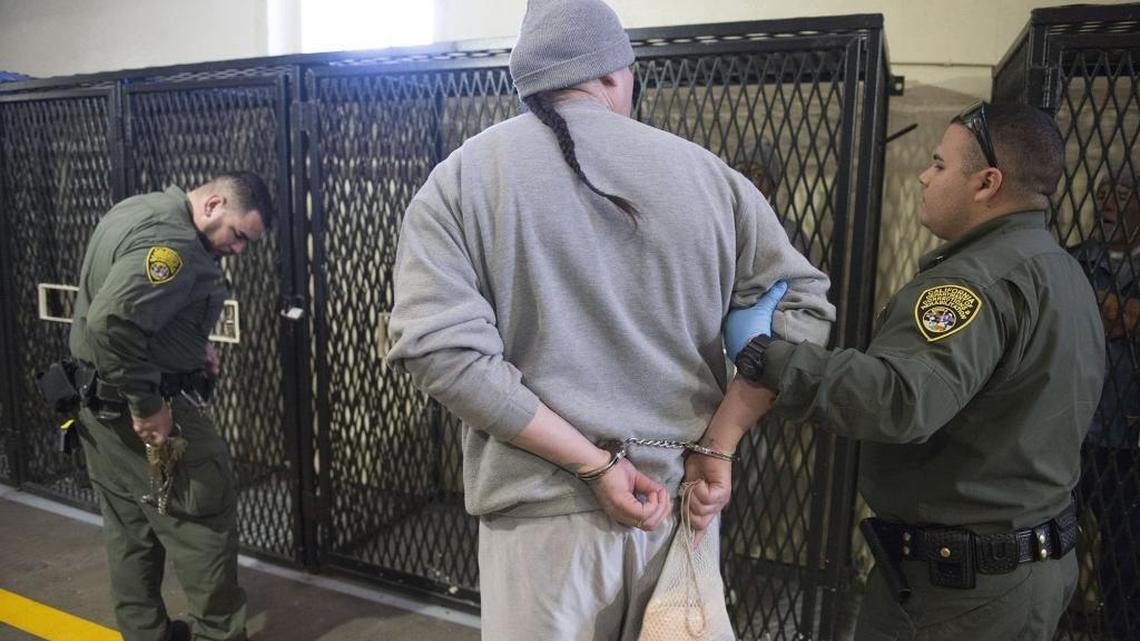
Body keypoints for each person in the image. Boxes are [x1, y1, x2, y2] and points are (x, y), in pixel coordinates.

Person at [384, 1, 835, 638]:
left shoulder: (461, 179)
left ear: (530, 83)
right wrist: (721, 441)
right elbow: (805, 304)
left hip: (539, 521)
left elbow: (439, 353)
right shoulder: (711, 176)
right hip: (681, 506)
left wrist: (594, 466)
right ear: (616, 74)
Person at [704, 102, 1105, 641]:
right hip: (1024, 565)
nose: (924, 175)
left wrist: (768, 356)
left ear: (987, 183)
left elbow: (900, 400)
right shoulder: (1061, 270)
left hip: (959, 594)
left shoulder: (974, 284)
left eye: (939, 164)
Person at [69, 171, 274, 641]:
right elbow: (113, 324)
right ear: (213, 205)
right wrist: (147, 405)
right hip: (148, 412)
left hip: (99, 410)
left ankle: (146, 634)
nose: (239, 250)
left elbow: (126, 300)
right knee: (203, 521)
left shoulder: (138, 209)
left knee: (130, 530)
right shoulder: (175, 247)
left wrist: (187, 344)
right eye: (239, 235)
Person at [1070, 171, 1140, 640]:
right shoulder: (1073, 261)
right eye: (1100, 195)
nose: (1105, 204)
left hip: (1128, 441)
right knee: (1049, 550)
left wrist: (1102, 308)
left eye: (1119, 195)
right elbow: (1065, 316)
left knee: (1125, 561)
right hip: (1071, 433)